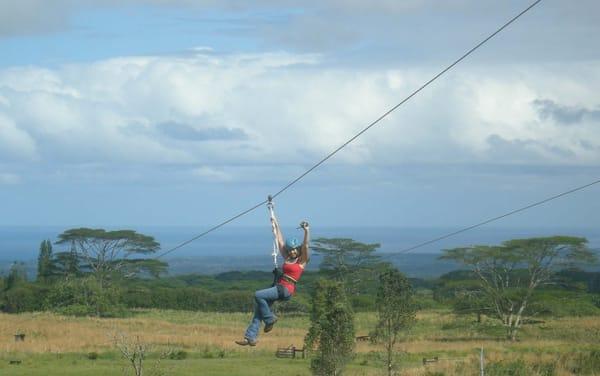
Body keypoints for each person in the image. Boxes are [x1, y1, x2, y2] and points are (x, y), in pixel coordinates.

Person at [235, 215, 310, 346]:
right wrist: (275, 222)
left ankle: (269, 319)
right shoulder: (287, 258)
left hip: (286, 289)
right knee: (259, 311)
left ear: (298, 250)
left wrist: (306, 231)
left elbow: (306, 245)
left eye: (295, 249)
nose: (292, 251)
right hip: (279, 286)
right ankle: (250, 337)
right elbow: (279, 240)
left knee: (258, 295)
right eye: (291, 249)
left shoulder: (301, 262)